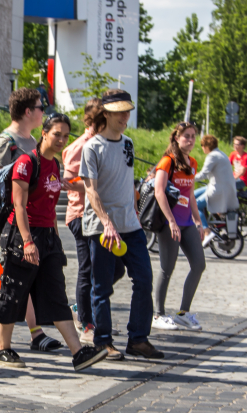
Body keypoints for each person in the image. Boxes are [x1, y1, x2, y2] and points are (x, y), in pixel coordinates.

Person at [0, 113, 108, 371]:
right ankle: (3, 349)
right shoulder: (26, 162)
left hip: (48, 237)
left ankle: (78, 353)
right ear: (44, 133)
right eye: (57, 134)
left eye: (66, 136)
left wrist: (54, 239)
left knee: (56, 293)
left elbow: (50, 205)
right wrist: (28, 242)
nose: (61, 139)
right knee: (13, 292)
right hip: (23, 235)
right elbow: (19, 206)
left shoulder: (54, 165)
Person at [0, 87, 62, 352]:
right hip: (12, 221)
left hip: (31, 219)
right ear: (27, 111)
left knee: (9, 273)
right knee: (25, 274)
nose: (43, 111)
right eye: (40, 107)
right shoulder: (6, 142)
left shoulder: (32, 141)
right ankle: (36, 334)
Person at [80, 89, 161, 359]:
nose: (126, 116)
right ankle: (102, 341)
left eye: (128, 111)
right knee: (101, 285)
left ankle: (138, 338)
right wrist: (107, 222)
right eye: (120, 112)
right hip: (102, 229)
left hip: (131, 225)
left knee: (144, 279)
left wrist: (135, 213)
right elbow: (90, 190)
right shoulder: (92, 147)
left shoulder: (128, 143)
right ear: (106, 113)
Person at [62, 98, 125, 359]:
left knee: (116, 268)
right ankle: (85, 322)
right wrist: (90, 185)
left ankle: (84, 305)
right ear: (96, 119)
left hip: (103, 216)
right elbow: (67, 181)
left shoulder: (108, 143)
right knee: (88, 270)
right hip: (80, 214)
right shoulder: (81, 145)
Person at [152, 122, 206, 332]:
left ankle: (183, 314)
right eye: (186, 136)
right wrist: (171, 221)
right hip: (169, 223)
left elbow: (190, 193)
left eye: (193, 136)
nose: (190, 140)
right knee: (167, 269)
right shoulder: (167, 162)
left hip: (186, 223)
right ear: (176, 137)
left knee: (199, 265)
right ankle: (158, 314)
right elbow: (159, 192)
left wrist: (198, 220)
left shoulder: (192, 162)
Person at [195, 134, 239, 248]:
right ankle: (206, 219)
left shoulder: (212, 156)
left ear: (207, 145)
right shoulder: (221, 153)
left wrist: (188, 178)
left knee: (194, 205)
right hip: (220, 186)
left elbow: (204, 174)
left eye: (202, 145)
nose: (202, 148)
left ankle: (206, 231)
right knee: (193, 195)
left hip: (218, 189)